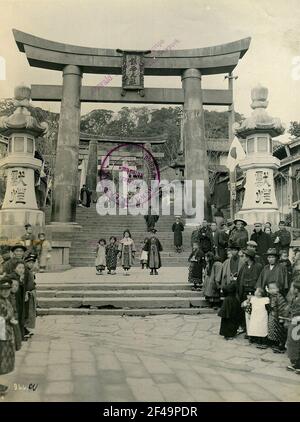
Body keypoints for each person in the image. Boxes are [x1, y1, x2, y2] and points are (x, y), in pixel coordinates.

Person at [0, 277, 16, 396]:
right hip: (1, 333)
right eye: (3, 289)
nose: (5, 292)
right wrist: (9, 318)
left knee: (2, 359)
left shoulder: (6, 300)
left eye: (7, 289)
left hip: (5, 333)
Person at [266, 282, 288, 353]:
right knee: (272, 329)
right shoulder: (271, 296)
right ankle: (274, 342)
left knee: (279, 331)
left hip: (277, 316)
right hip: (272, 316)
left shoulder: (279, 297)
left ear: (278, 289)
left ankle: (281, 345)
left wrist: (281, 317)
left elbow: (282, 307)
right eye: (270, 288)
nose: (272, 290)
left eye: (274, 288)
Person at [286, 276, 300, 374]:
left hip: (298, 323)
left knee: (297, 343)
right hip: (294, 322)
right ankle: (295, 363)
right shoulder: (295, 298)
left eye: (292, 288)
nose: (291, 289)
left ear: (296, 289)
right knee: (293, 342)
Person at [23, 254, 37, 337]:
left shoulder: (30, 271)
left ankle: (28, 328)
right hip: (27, 293)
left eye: (32, 263)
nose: (31, 264)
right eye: (29, 262)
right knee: (27, 311)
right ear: (25, 262)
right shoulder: (25, 271)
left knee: (31, 311)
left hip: (31, 293)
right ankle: (25, 328)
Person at [9, 277, 22, 352]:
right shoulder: (8, 296)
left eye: (17, 285)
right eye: (13, 285)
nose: (15, 287)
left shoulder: (14, 295)